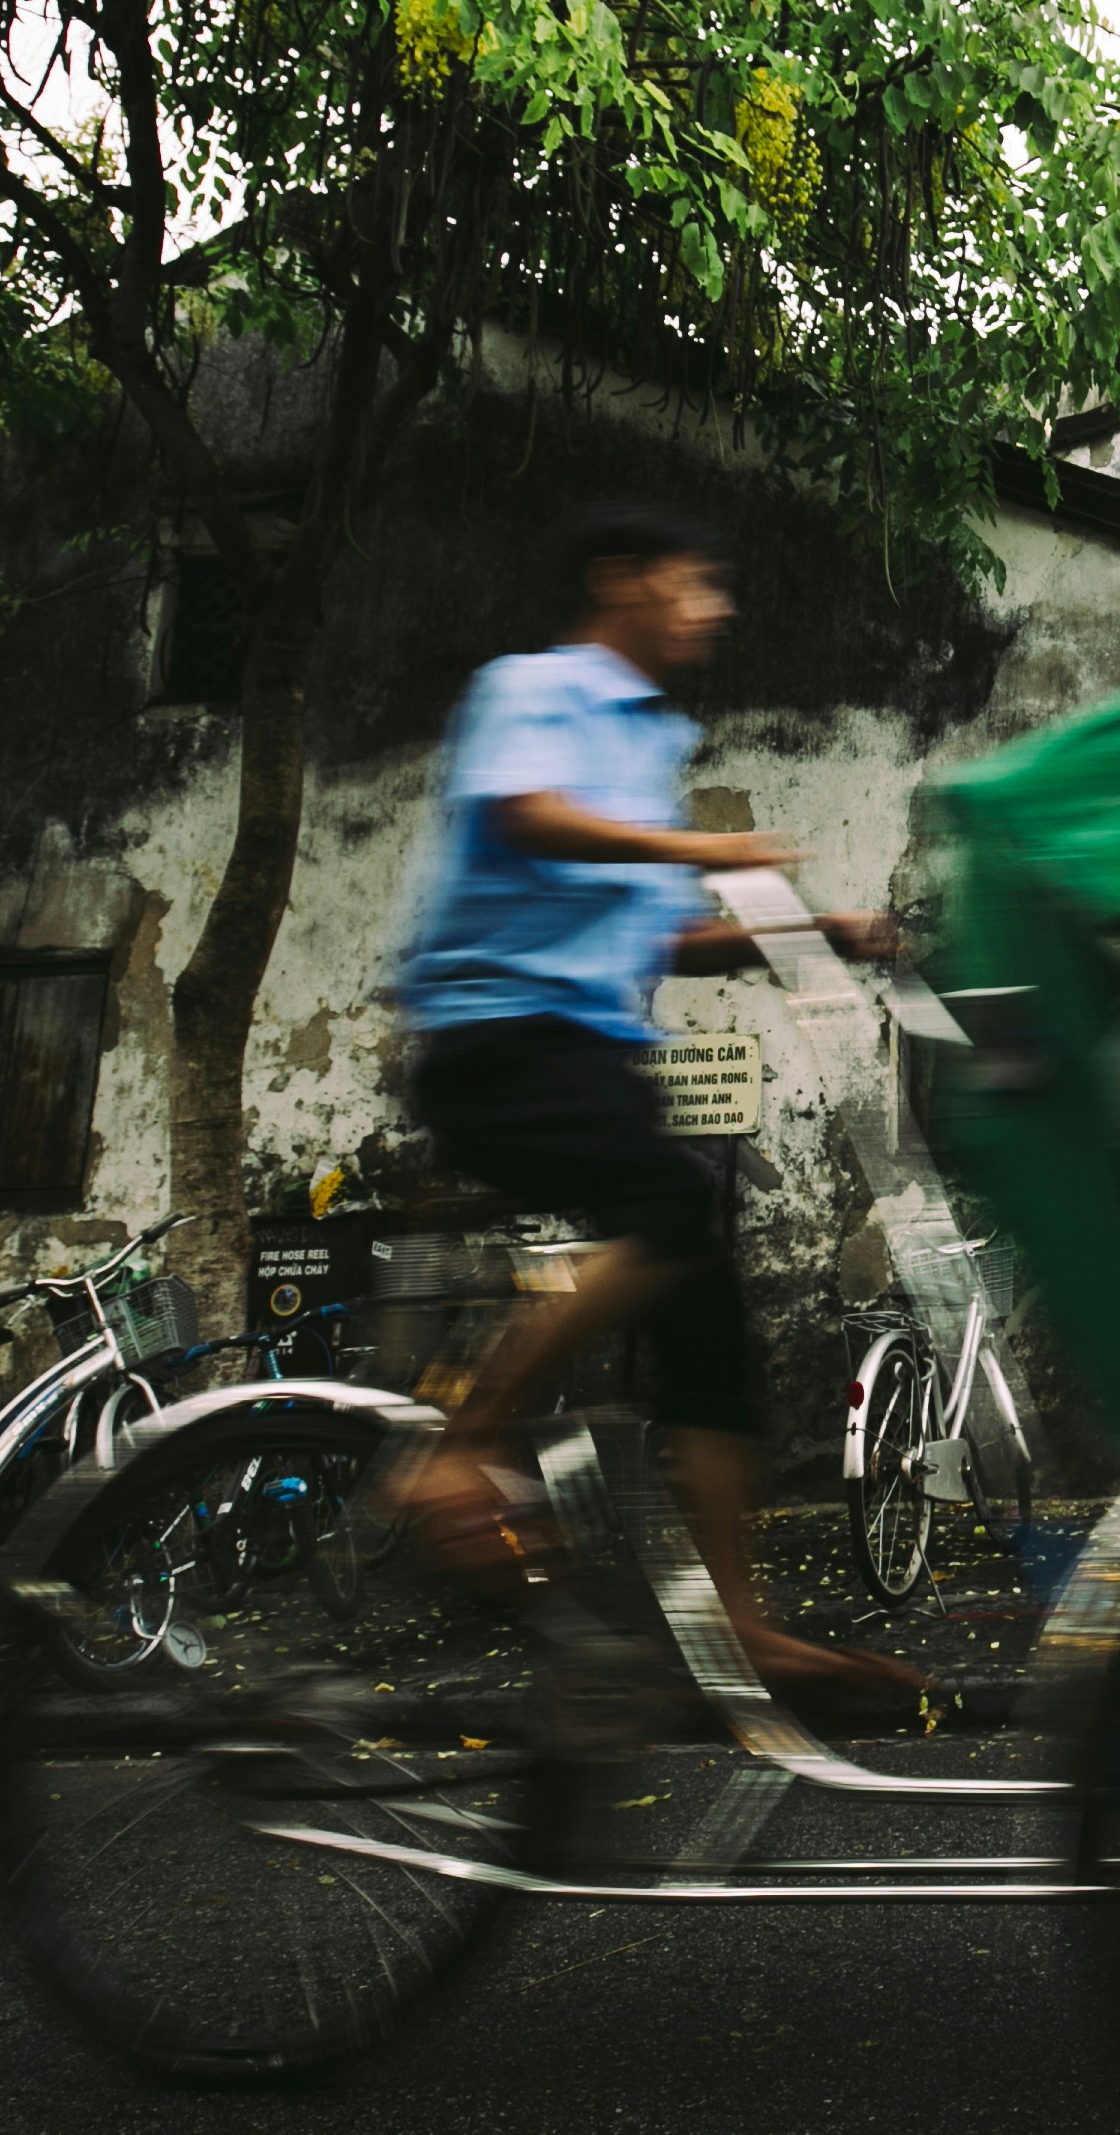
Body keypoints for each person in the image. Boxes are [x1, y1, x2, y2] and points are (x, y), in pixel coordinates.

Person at [386, 499, 911, 1691]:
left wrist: (810, 931)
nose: (713, 609)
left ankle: (735, 1630)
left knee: (708, 1325)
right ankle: (460, 1444)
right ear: (620, 579)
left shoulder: (646, 743)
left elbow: (657, 935)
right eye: (694, 582)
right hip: (497, 1040)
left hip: (589, 1050)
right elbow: (527, 818)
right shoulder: (533, 689)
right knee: (667, 1212)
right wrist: (704, 850)